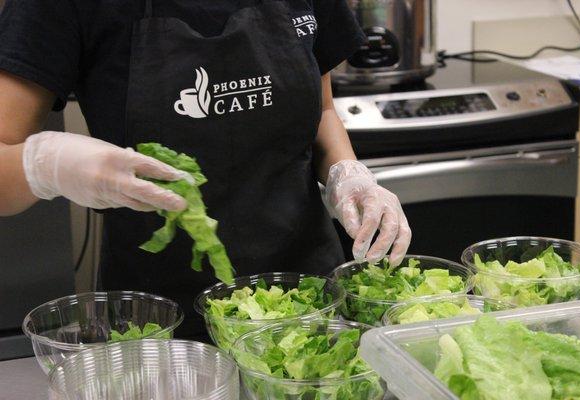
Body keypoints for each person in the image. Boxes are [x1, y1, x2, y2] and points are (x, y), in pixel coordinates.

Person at [0, 0, 411, 338]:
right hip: (160, 323)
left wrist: (346, 170)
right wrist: (47, 164)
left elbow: (320, 109)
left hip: (306, 304)